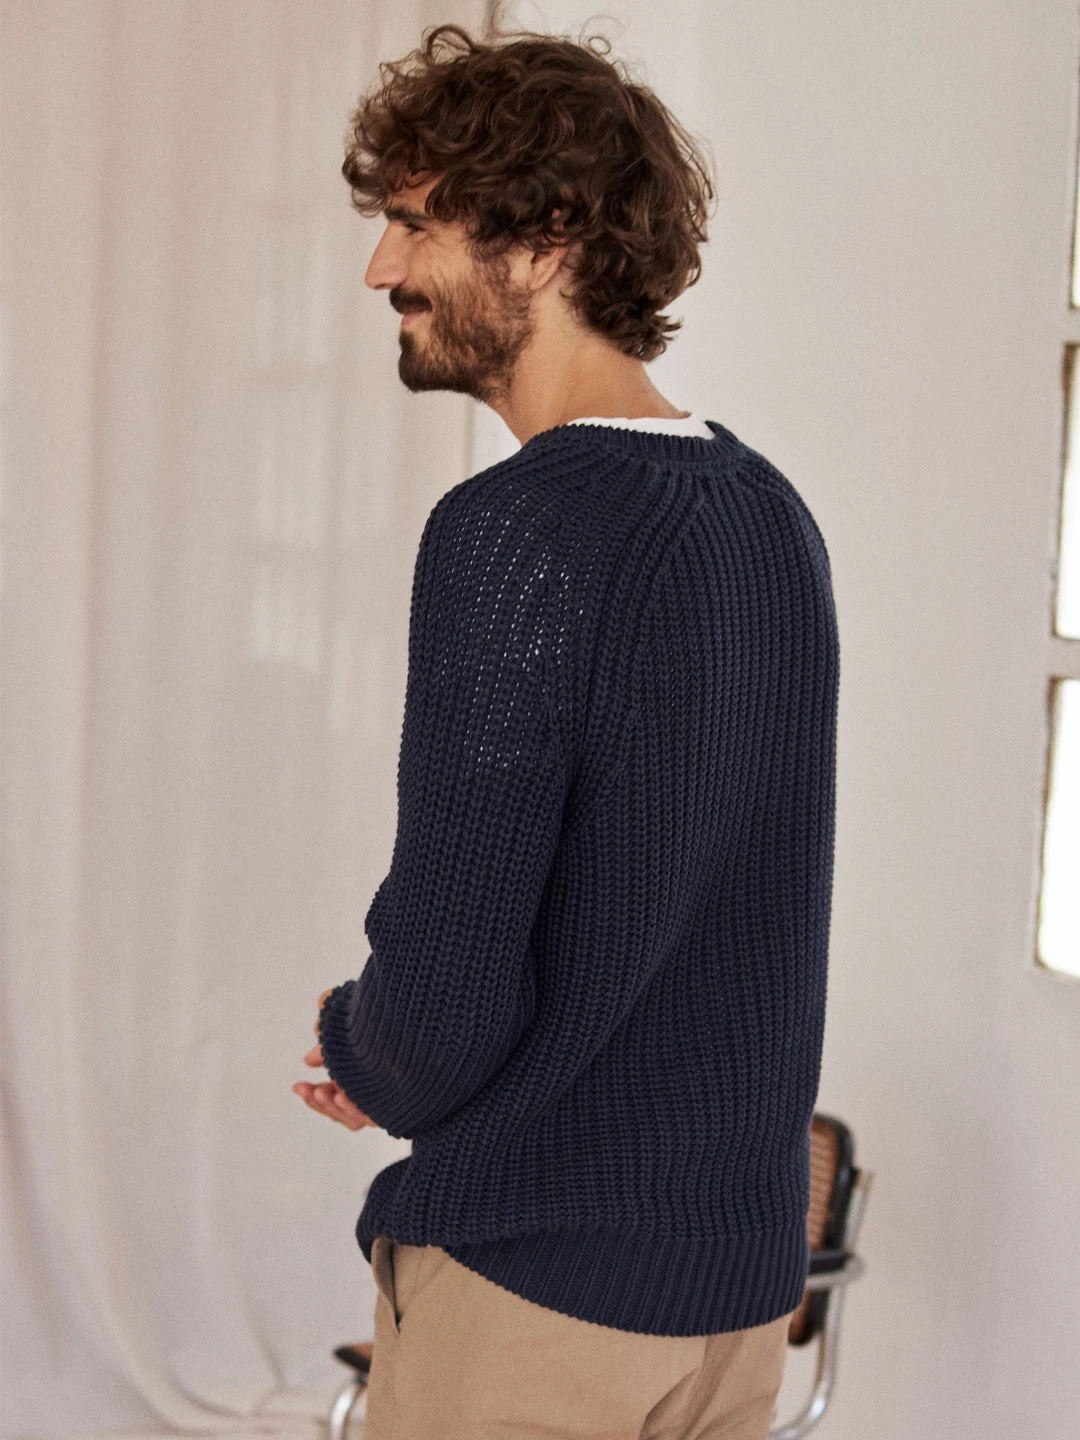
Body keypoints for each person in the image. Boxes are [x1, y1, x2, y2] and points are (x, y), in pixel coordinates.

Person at [291, 21, 840, 1440]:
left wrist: (363, 1046)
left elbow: (446, 995)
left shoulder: (516, 534)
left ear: (542, 244)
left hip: (541, 1299)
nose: (381, 268)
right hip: (734, 1306)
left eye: (415, 225)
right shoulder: (769, 517)